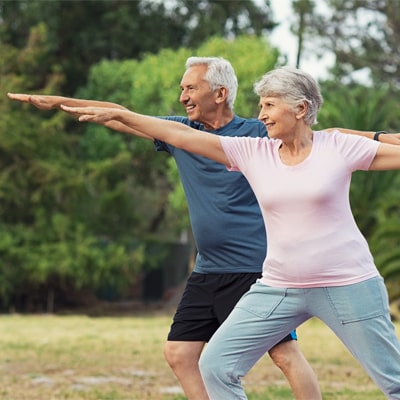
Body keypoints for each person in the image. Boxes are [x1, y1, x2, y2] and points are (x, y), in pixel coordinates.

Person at [7, 59, 400, 400]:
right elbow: (179, 134)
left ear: (300, 109)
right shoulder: (253, 152)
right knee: (215, 365)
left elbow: (380, 147)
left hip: (346, 283)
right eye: (260, 105)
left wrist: (380, 136)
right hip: (280, 287)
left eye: (269, 104)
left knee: (394, 383)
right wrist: (108, 112)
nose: (261, 113)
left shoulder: (337, 146)